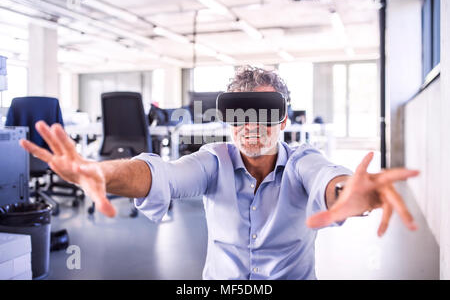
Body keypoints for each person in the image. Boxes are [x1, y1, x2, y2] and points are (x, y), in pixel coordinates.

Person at [19, 66, 419, 280]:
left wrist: (354, 191)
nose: (251, 126)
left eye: (264, 114)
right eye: (240, 115)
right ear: (229, 121)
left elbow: (329, 180)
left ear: (283, 121)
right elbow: (164, 176)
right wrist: (98, 173)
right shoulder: (214, 160)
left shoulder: (302, 162)